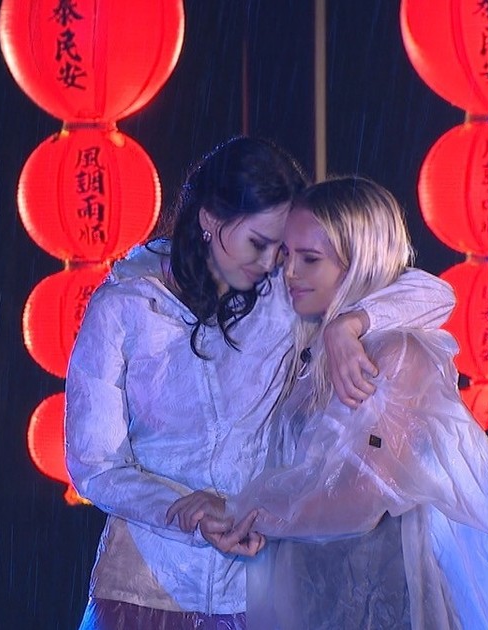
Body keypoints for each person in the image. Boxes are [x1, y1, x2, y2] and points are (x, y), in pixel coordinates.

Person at [64, 138, 455, 629]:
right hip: (145, 583)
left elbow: (430, 292)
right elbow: (94, 464)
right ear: (209, 220)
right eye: (259, 243)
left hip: (254, 585)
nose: (272, 262)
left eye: (282, 248)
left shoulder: (282, 297)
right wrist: (183, 512)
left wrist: (350, 324)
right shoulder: (122, 307)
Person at [173, 176, 488, 629]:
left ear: (361, 261)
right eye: (286, 255)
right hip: (318, 589)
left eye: (310, 259)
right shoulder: (312, 348)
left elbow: (364, 495)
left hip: (385, 595)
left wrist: (245, 512)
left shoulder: (397, 352)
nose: (289, 272)